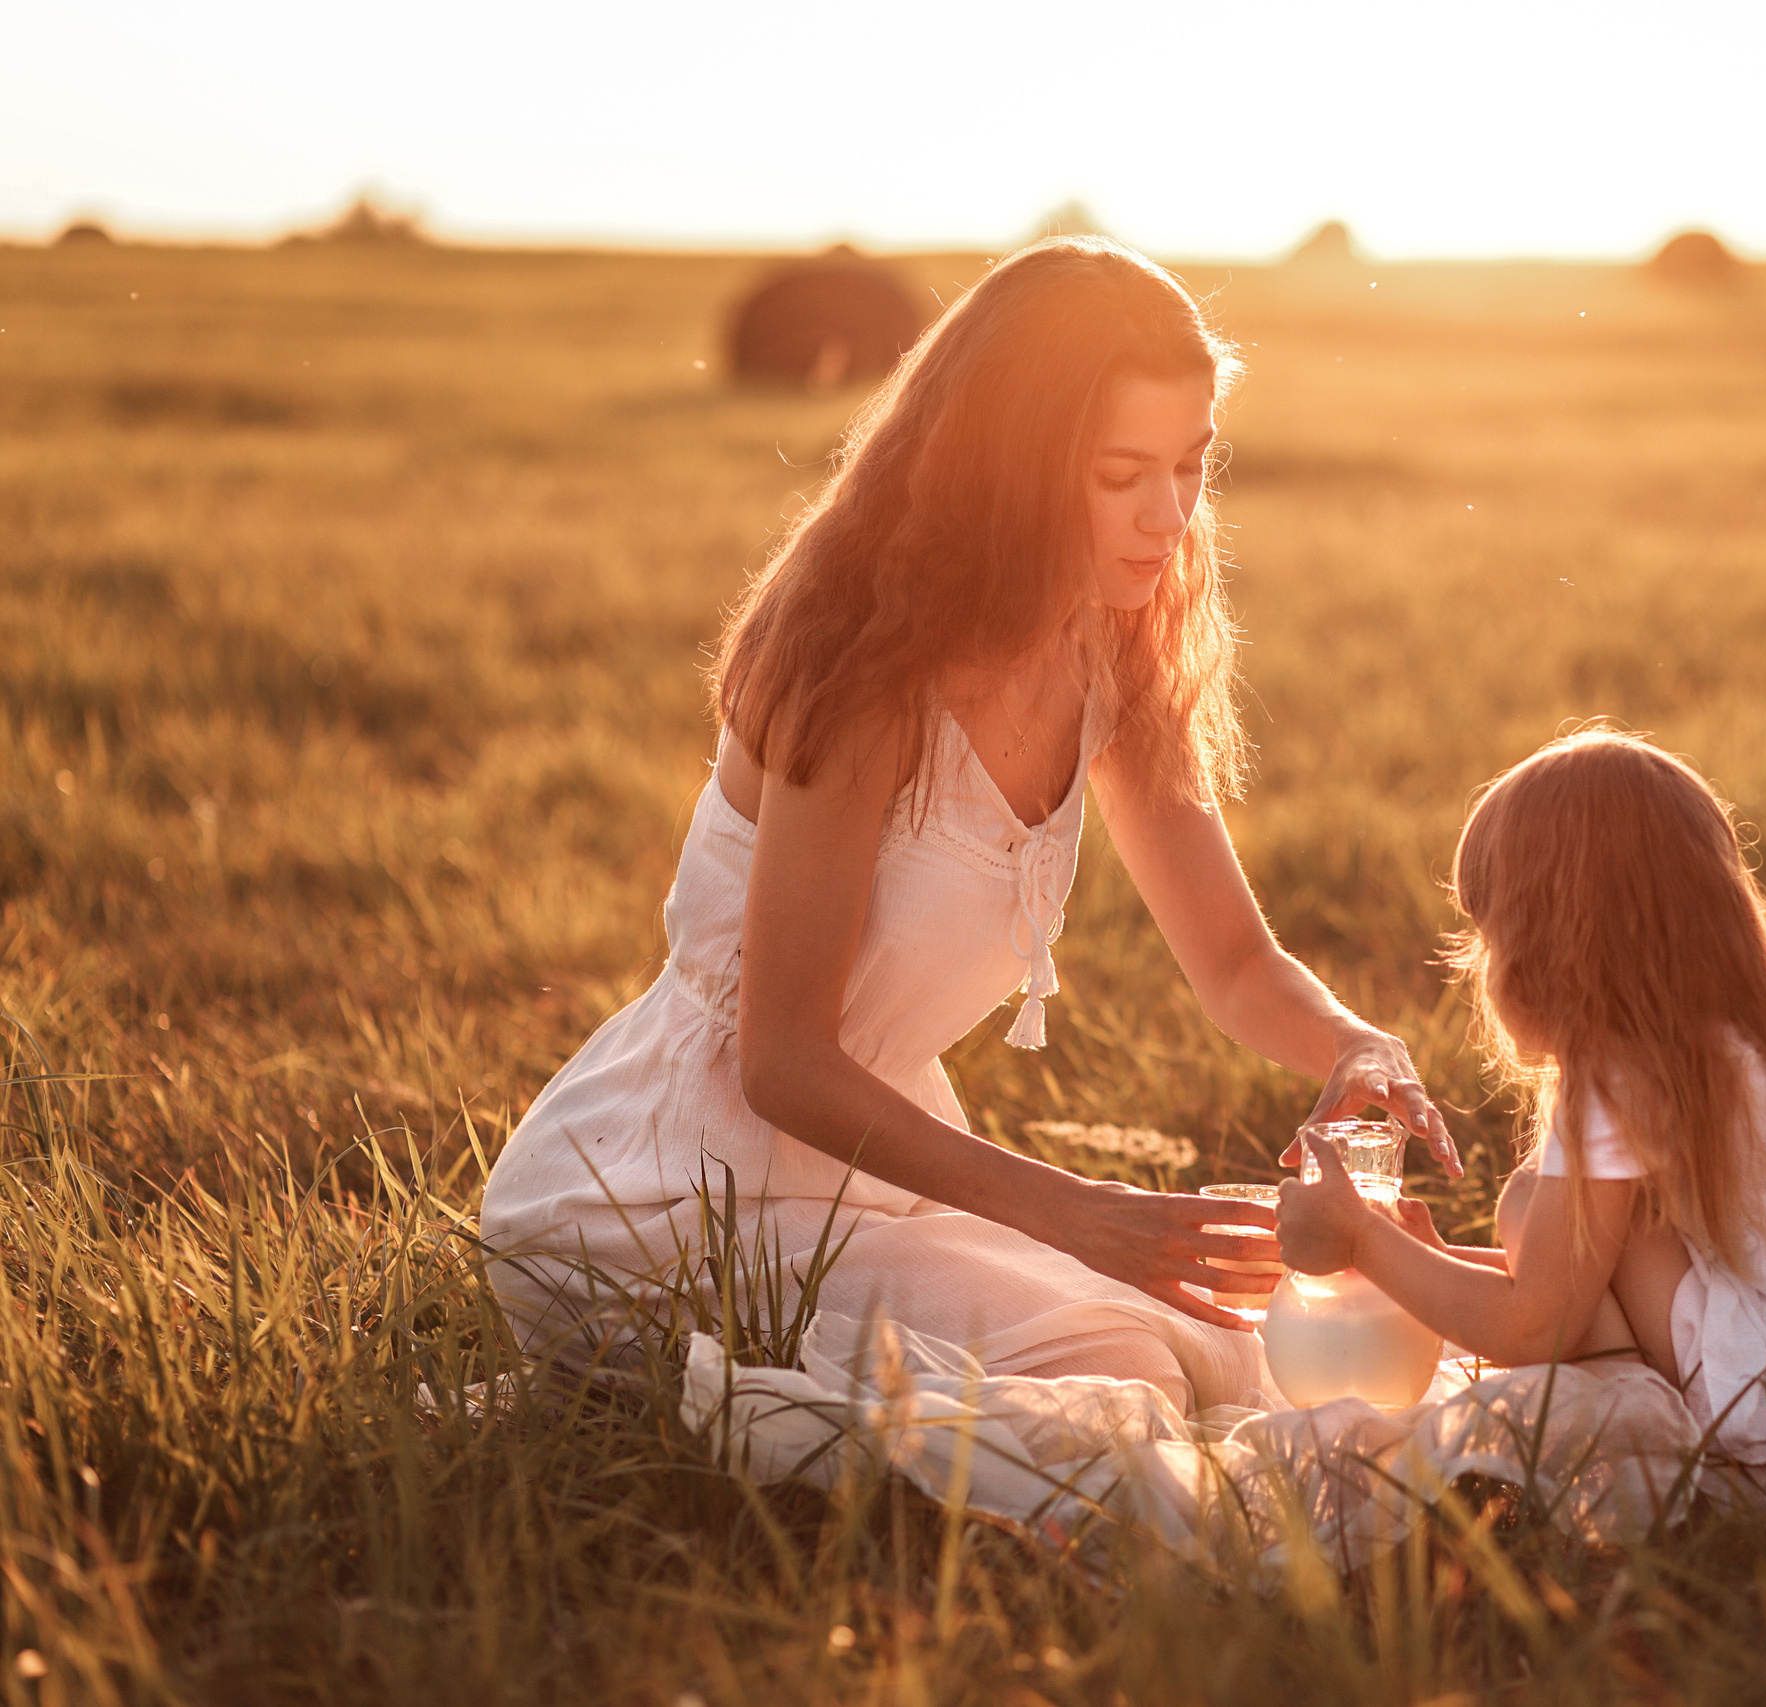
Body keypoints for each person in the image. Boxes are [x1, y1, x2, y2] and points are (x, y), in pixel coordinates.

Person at [481, 237, 1453, 1413]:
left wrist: (1356, 1044)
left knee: (1240, 1347)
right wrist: (1079, 1213)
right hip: (667, 1190)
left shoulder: (1109, 641)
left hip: (870, 1177)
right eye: (1119, 474)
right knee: (1135, 1361)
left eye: (1191, 465)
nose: (1169, 514)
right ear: (1016, 464)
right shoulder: (860, 659)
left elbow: (1237, 963)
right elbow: (782, 1062)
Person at [1277, 729, 1766, 1484]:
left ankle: (1643, 1438)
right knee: (1569, 1229)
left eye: (1488, 938)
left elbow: (1536, 1324)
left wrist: (1360, 1240)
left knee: (1525, 1205)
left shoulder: (1617, 1071)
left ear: (1539, 948)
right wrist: (1436, 1267)